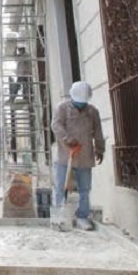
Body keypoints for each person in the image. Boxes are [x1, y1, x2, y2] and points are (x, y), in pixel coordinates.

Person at [52, 81, 105, 231]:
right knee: (60, 187)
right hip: (65, 155)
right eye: (78, 102)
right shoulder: (62, 108)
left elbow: (98, 132)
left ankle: (82, 216)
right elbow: (55, 125)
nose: (80, 105)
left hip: (85, 156)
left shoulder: (92, 112)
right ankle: (59, 216)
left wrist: (100, 149)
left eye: (83, 103)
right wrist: (67, 138)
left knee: (85, 189)